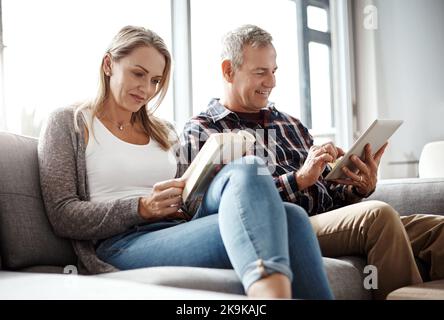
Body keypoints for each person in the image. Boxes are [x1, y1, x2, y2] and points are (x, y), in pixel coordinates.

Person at [38, 25, 334, 300]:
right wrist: (142, 207)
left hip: (178, 227)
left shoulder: (163, 130)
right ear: (108, 65)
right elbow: (63, 214)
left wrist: (205, 178)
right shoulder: (69, 123)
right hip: (120, 244)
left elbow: (191, 204)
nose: (147, 89)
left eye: (155, 80)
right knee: (285, 215)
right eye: (137, 74)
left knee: (266, 188)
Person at [179, 24, 444, 300]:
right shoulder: (205, 130)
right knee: (377, 216)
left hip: (325, 219)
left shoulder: (290, 123)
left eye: (274, 71)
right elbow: (210, 208)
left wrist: (356, 187)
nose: (271, 82)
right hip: (283, 228)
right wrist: (298, 180)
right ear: (228, 71)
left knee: (437, 230)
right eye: (261, 72)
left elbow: (329, 194)